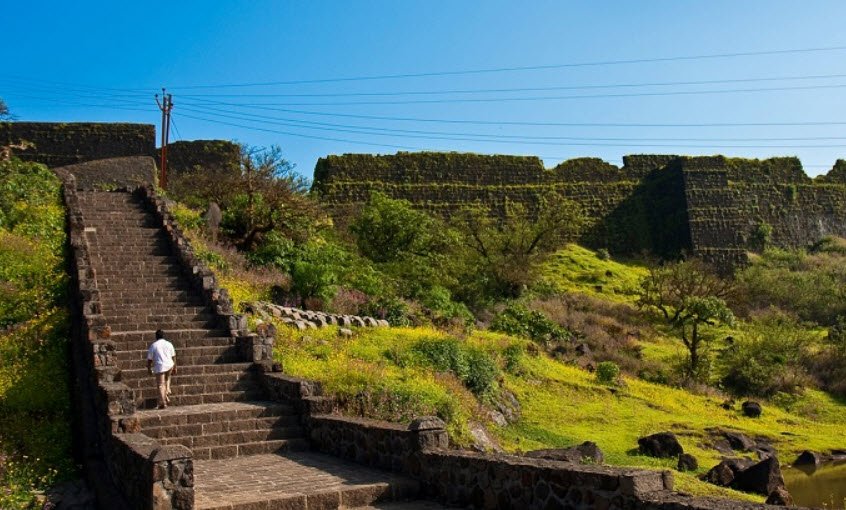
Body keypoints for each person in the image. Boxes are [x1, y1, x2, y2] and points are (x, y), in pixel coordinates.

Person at [146, 329, 176, 409]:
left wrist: (149, 369)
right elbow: (173, 356)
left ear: (156, 337)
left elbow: (149, 359)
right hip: (169, 365)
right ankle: (167, 391)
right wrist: (175, 366)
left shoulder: (154, 345)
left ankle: (163, 402)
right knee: (167, 379)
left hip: (160, 367)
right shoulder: (169, 344)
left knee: (160, 385)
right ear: (163, 336)